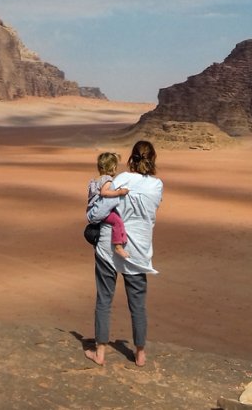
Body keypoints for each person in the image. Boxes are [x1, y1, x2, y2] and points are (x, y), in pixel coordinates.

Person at [85, 141, 163, 367]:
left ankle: (100, 352)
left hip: (108, 248)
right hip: (138, 252)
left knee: (104, 299)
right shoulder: (157, 185)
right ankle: (140, 353)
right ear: (153, 159)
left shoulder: (119, 180)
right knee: (138, 304)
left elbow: (101, 207)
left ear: (131, 159)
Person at [86, 152, 130, 259]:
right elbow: (104, 193)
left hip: (92, 210)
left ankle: (119, 239)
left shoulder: (97, 179)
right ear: (113, 167)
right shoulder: (107, 180)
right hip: (100, 212)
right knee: (117, 221)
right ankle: (118, 246)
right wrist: (119, 193)